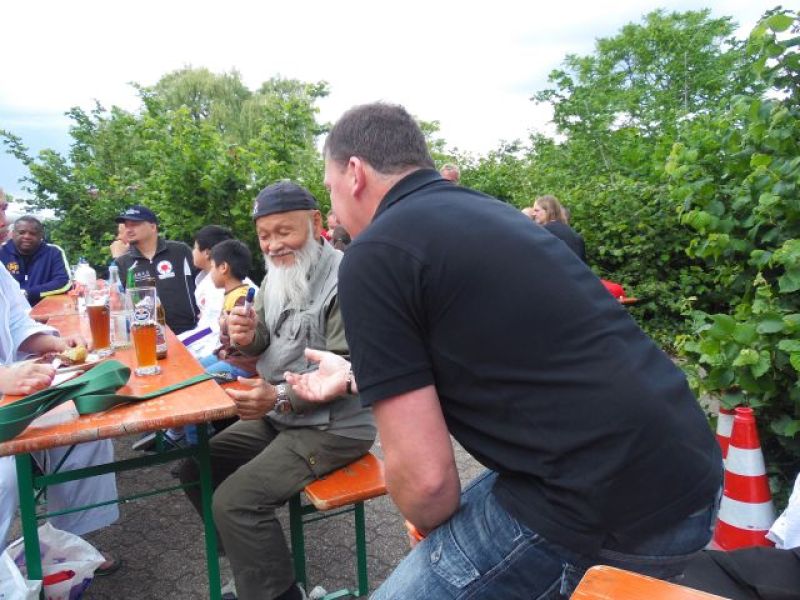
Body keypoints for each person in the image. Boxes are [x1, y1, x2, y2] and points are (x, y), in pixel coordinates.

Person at [285, 102, 723, 599]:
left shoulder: (374, 253)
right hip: (689, 470)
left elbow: (428, 488)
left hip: (605, 503)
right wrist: (353, 374)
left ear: (355, 172)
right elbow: (500, 353)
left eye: (329, 187)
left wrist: (433, 536)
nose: (335, 206)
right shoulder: (490, 213)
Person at [178, 181, 375, 600]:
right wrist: (246, 336)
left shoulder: (348, 278)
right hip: (282, 414)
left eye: (284, 231)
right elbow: (264, 341)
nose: (273, 245)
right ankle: (250, 566)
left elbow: (345, 372)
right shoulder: (276, 275)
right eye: (264, 235)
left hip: (333, 427)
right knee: (196, 467)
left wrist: (279, 396)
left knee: (235, 502)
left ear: (316, 222)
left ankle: (281, 593)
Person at [0, 201, 120, 572]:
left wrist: (55, 344)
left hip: (11, 396)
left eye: (3, 208)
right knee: (5, 475)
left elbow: (18, 323)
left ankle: (69, 544)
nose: (4, 221)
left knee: (86, 430)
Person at [114, 205, 199, 334]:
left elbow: (205, 281)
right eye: (126, 226)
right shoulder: (122, 262)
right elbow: (117, 303)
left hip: (190, 332)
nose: (128, 230)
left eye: (134, 224)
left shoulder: (180, 251)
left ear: (153, 227)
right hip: (147, 334)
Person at [198, 239, 258, 379]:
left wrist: (225, 324)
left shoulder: (241, 299)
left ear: (223, 267)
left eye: (212, 267)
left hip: (241, 364)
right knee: (193, 367)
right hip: (230, 356)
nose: (210, 274)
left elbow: (243, 339)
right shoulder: (232, 294)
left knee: (200, 380)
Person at [178, 225, 238, 360]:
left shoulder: (221, 283)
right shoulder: (206, 278)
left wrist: (179, 344)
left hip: (220, 349)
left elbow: (213, 329)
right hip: (210, 341)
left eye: (195, 248)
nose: (192, 252)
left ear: (206, 253)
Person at [0, 215, 72, 306]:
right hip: (9, 309)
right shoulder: (2, 251)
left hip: (45, 308)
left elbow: (63, 282)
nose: (27, 236)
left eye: (33, 233)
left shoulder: (53, 252)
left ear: (41, 235)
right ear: (13, 234)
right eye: (21, 232)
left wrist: (28, 293)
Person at [531, 194, 587, 262]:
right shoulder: (573, 234)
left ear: (548, 211)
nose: (533, 214)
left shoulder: (544, 232)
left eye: (536, 210)